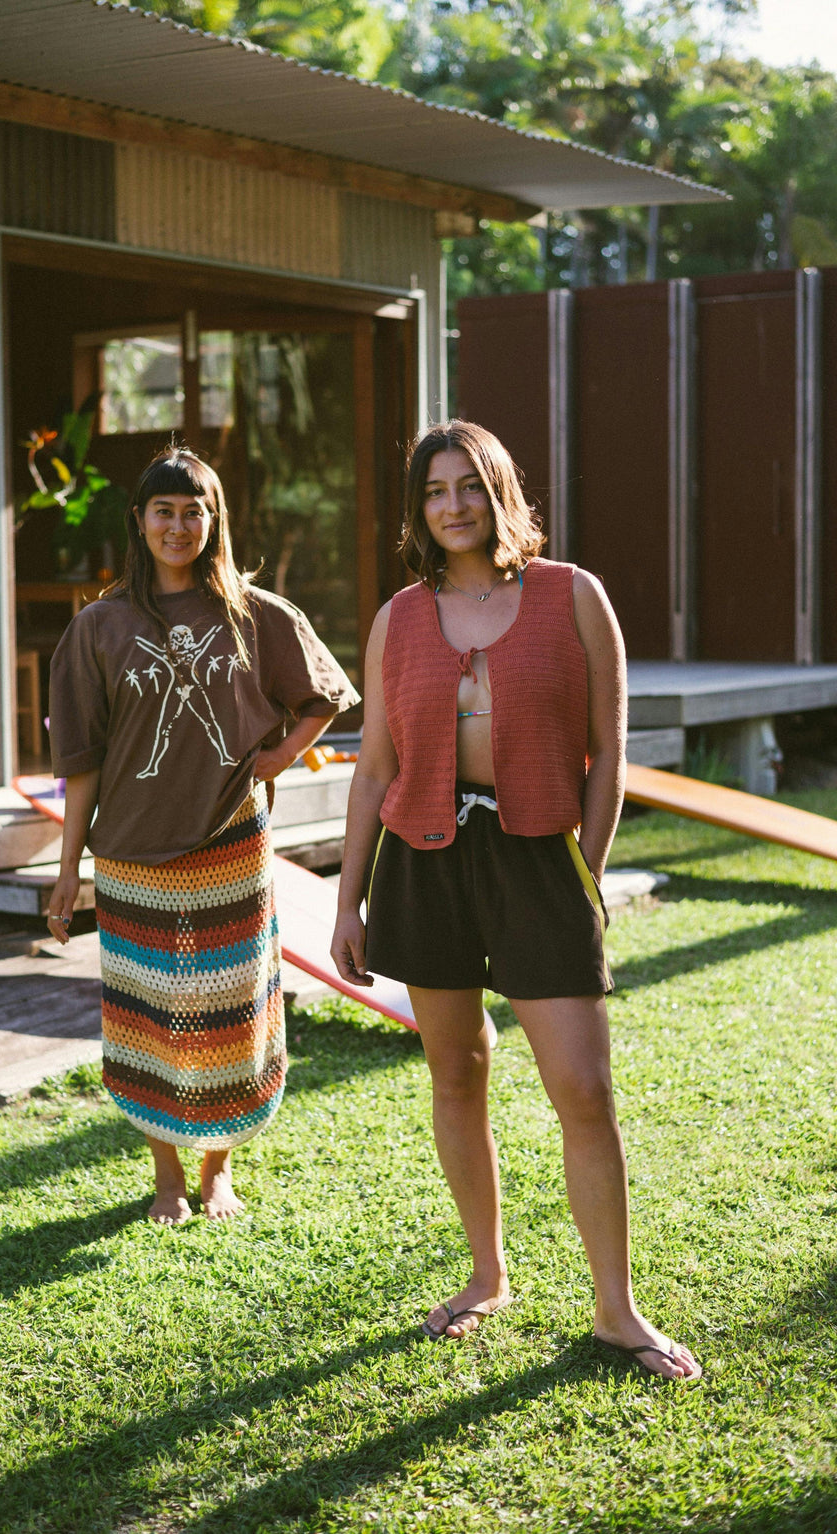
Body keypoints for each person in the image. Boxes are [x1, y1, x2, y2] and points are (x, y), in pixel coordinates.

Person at [330, 420, 700, 1381]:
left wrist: (587, 864)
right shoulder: (398, 617)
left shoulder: (573, 596)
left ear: (501, 492)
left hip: (541, 860)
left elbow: (611, 750)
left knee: (584, 1089)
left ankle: (617, 1312)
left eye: (468, 486)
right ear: (419, 509)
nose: (452, 505)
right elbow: (374, 767)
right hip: (424, 860)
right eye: (434, 491)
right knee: (456, 1072)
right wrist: (347, 902)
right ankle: (487, 1276)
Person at [47, 447, 358, 1224]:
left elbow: (324, 693)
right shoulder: (100, 627)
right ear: (140, 521)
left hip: (228, 844)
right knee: (148, 1019)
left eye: (194, 510)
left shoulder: (255, 613)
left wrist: (279, 756)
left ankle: (217, 1169)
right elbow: (79, 764)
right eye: (164, 510)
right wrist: (65, 872)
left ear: (213, 519)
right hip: (129, 853)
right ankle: (164, 1175)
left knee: (230, 1013)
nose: (178, 525)